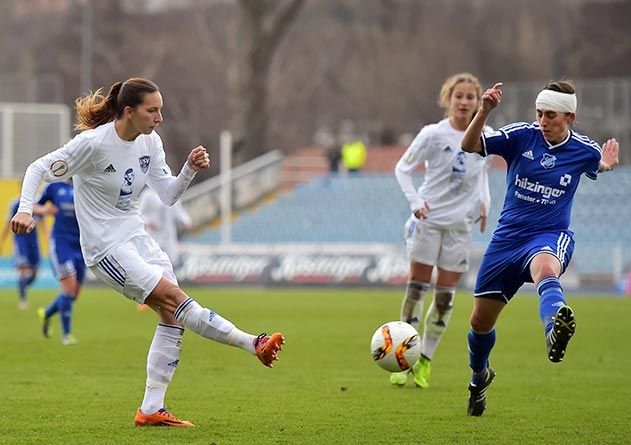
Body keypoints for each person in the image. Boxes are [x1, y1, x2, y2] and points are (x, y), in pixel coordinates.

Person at [11, 77, 285, 427]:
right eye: (152, 110)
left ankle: (151, 409)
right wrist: (25, 208)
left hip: (136, 237)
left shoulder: (150, 143)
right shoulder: (93, 144)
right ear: (129, 111)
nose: (159, 118)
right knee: (175, 298)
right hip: (105, 247)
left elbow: (168, 195)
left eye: (161, 110)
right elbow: (39, 168)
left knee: (172, 317)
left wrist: (188, 170)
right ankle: (253, 343)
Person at [460, 80, 619, 416]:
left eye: (551, 115)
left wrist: (606, 164)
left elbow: (597, 164)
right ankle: (479, 376)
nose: (543, 121)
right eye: (540, 113)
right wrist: (484, 110)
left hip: (549, 234)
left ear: (570, 117)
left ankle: (554, 329)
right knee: (479, 323)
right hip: (507, 240)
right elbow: (469, 144)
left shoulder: (583, 150)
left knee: (546, 268)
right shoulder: (522, 136)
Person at [391, 73, 491, 388]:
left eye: (470, 97)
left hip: (460, 227)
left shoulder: (485, 134)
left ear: (478, 102)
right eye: (458, 96)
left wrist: (485, 202)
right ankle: (402, 359)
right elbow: (402, 169)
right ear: (447, 99)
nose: (464, 102)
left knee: (446, 298)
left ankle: (425, 361)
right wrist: (414, 201)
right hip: (428, 222)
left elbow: (483, 172)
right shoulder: (433, 134)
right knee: (416, 289)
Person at [36, 179, 85, 345]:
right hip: (61, 243)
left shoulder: (87, 185)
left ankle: (47, 312)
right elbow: (33, 206)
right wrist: (44, 209)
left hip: (81, 245)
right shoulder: (54, 187)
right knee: (69, 288)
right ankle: (67, 335)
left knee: (74, 294)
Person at [0, 196, 49, 310]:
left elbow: (42, 223)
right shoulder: (15, 204)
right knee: (23, 269)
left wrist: (48, 238)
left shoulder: (37, 204)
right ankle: (23, 299)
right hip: (20, 240)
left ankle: (21, 286)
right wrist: (2, 240)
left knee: (35, 272)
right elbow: (8, 223)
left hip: (33, 241)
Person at [139, 186, 192, 268]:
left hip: (169, 236)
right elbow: (138, 213)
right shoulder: (148, 195)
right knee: (154, 262)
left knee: (172, 262)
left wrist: (185, 221)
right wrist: (147, 222)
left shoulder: (172, 195)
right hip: (153, 236)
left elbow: (179, 210)